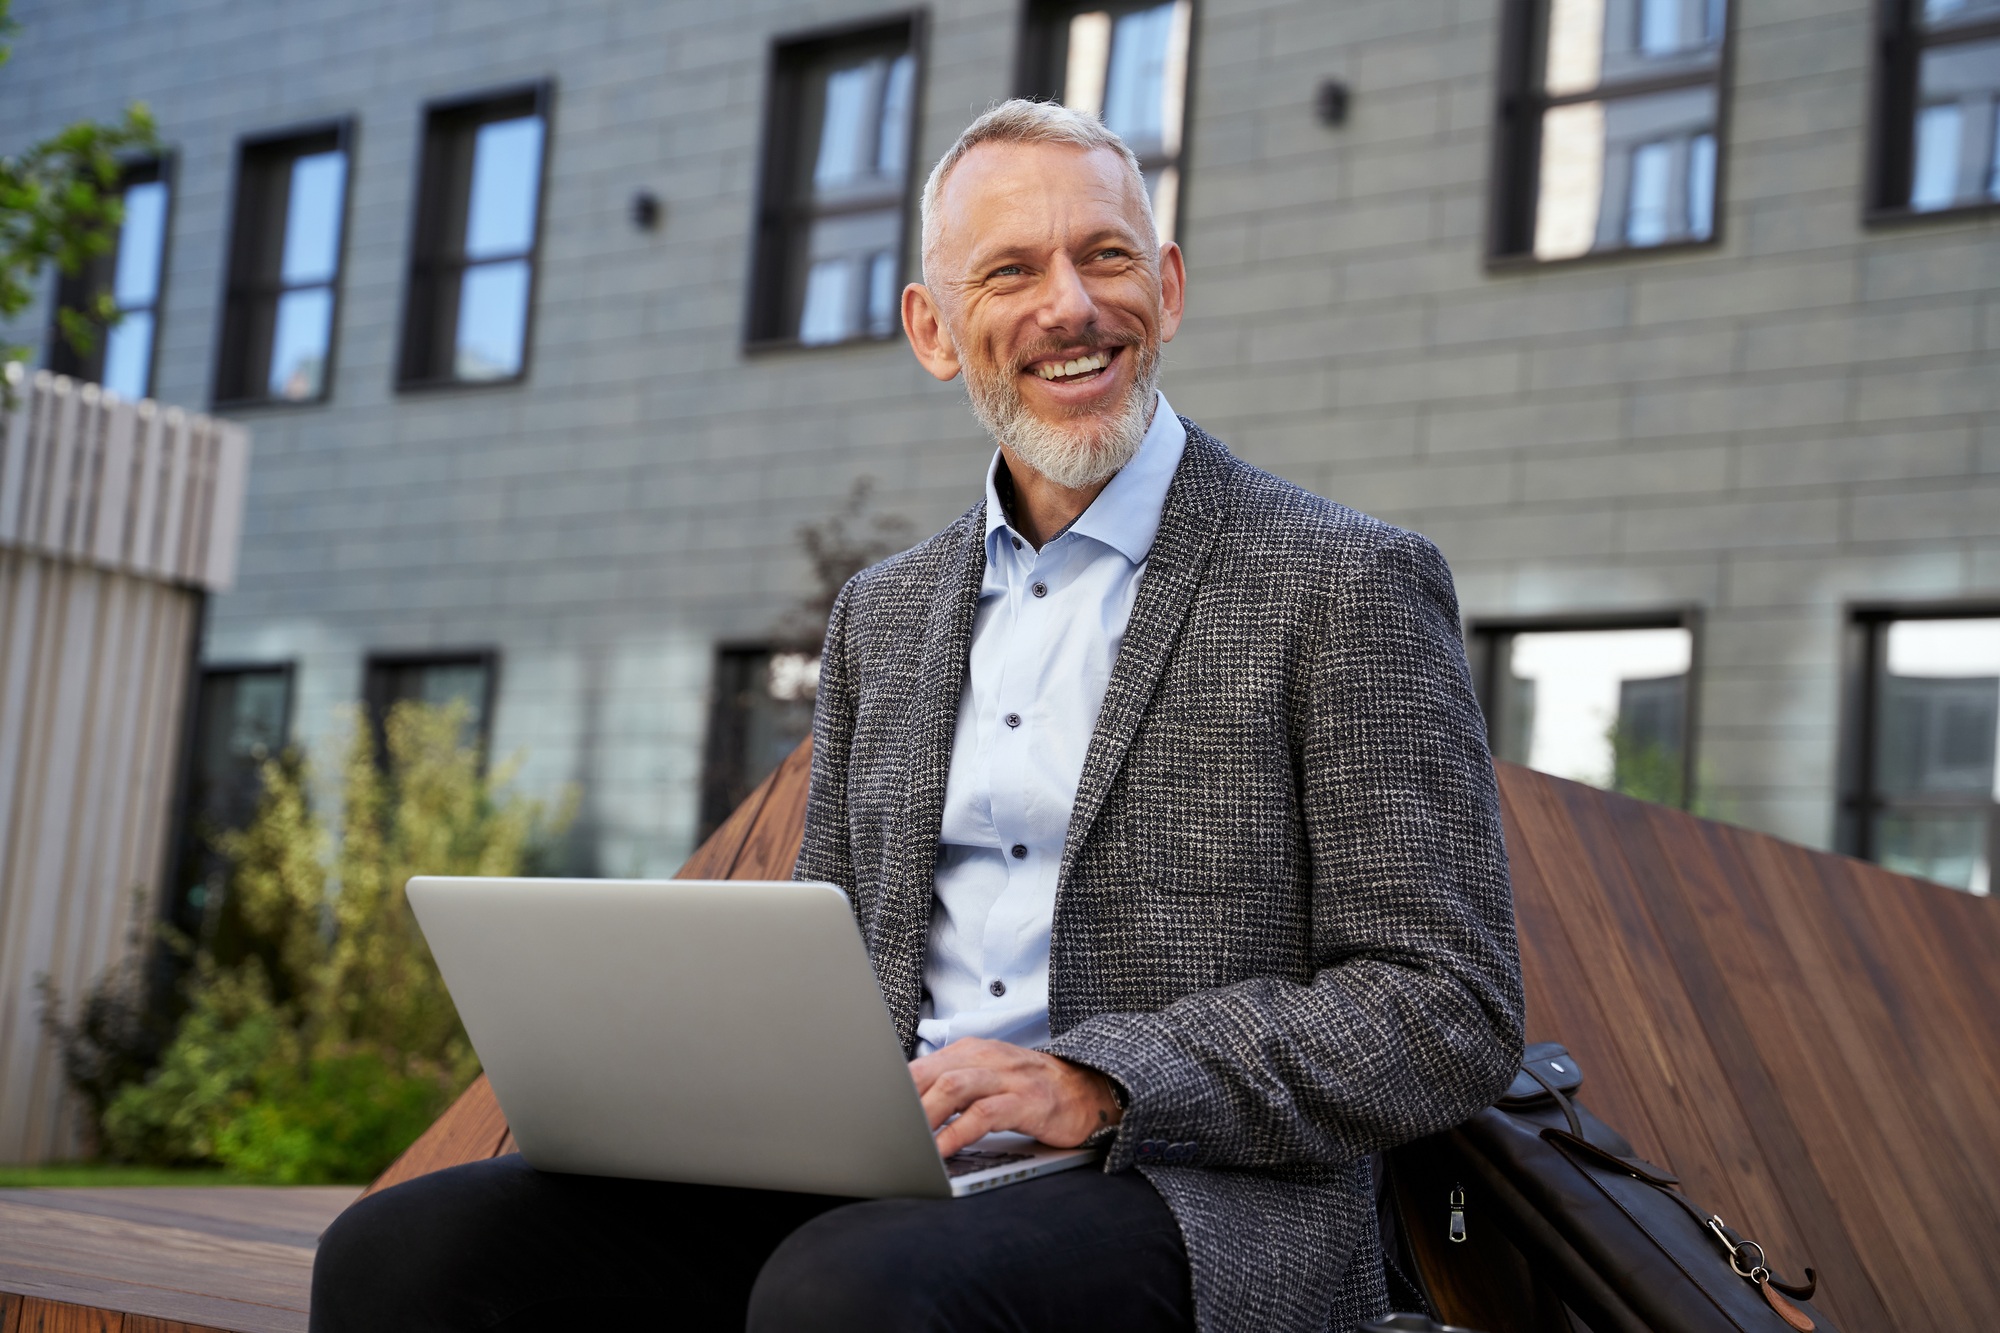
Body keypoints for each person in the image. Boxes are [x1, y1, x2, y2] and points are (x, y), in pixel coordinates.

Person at [311, 99, 1523, 1333]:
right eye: (1010, 270)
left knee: (851, 1291)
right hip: (888, 1163)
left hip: (1189, 1188)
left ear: (1164, 284)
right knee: (405, 1253)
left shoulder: (1343, 580)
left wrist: (1096, 1081)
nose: (1069, 306)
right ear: (933, 331)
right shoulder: (881, 616)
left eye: (1103, 256)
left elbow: (1443, 1005)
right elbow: (833, 959)